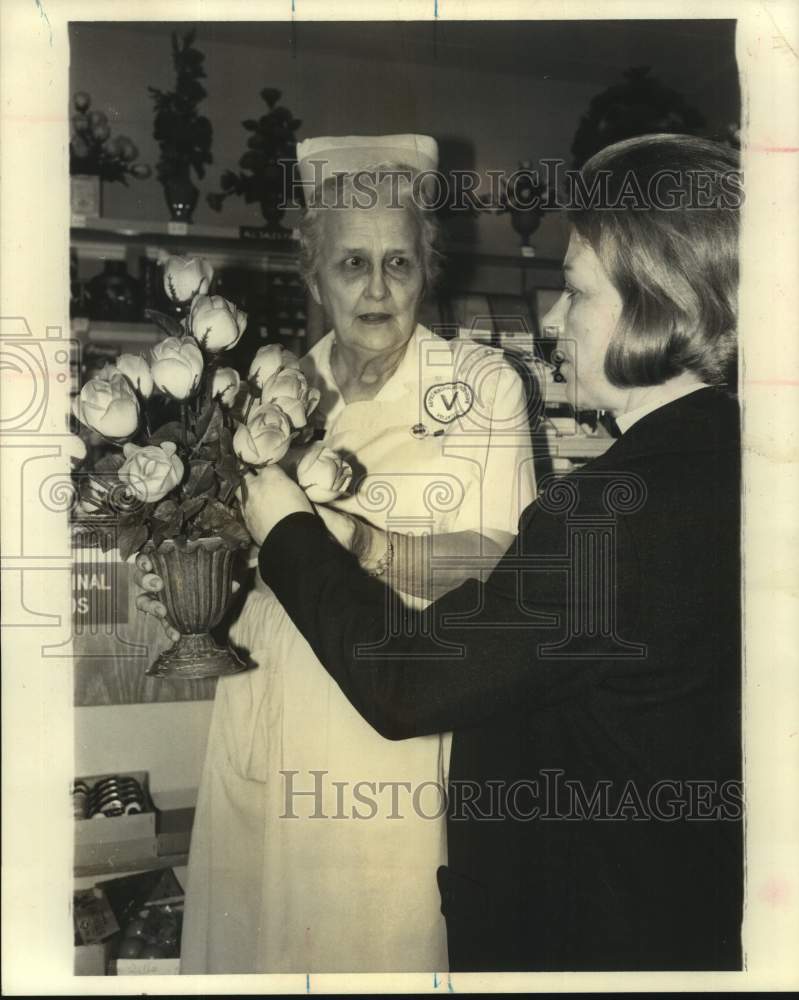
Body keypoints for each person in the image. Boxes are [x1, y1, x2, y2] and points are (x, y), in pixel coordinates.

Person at [236, 134, 744, 972]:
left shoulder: (610, 512)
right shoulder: (738, 464)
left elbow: (406, 684)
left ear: (664, 309)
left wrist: (289, 528)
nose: (549, 321)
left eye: (575, 294)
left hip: (593, 933)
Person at [164, 135, 536, 973]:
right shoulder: (267, 391)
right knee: (258, 943)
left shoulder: (480, 385)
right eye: (352, 263)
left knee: (380, 945)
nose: (376, 288)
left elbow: (503, 567)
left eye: (399, 263)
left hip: (388, 727)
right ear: (313, 273)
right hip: (266, 708)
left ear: (426, 270)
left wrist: (361, 544)